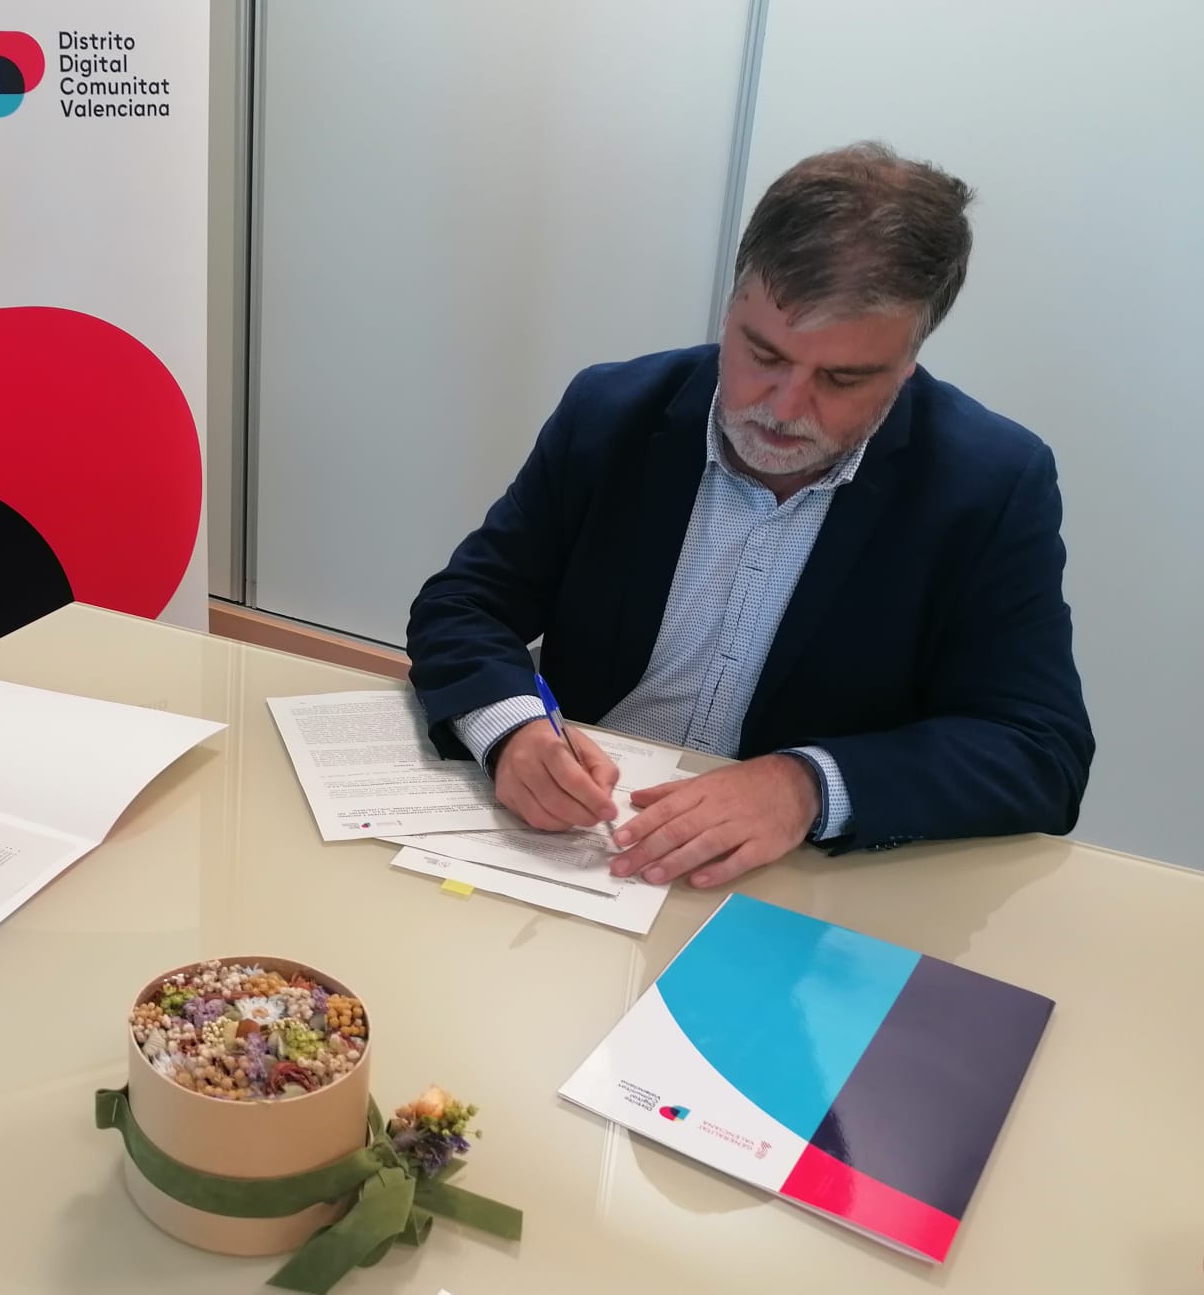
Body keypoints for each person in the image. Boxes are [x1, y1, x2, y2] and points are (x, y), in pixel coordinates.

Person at [406, 143, 1094, 891]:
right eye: (763, 354)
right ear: (731, 307)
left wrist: (805, 786)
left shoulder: (989, 484)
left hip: (794, 884)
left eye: (842, 378)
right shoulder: (612, 413)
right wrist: (511, 730)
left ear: (909, 364)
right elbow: (464, 604)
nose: (784, 406)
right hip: (584, 845)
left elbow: (1039, 750)